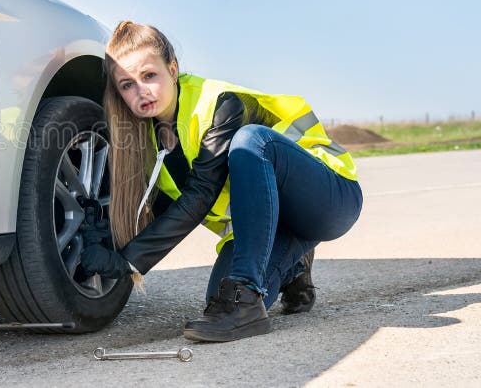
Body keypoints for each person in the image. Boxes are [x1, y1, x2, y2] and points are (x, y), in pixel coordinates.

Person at [79, 21, 363, 342]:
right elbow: (164, 206)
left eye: (149, 76)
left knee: (251, 140)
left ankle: (248, 289)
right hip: (273, 222)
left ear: (172, 69)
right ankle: (292, 268)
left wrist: (129, 261)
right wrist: (109, 244)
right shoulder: (149, 139)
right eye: (127, 84)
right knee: (220, 300)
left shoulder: (218, 103)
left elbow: (199, 196)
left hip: (329, 200)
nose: (140, 91)